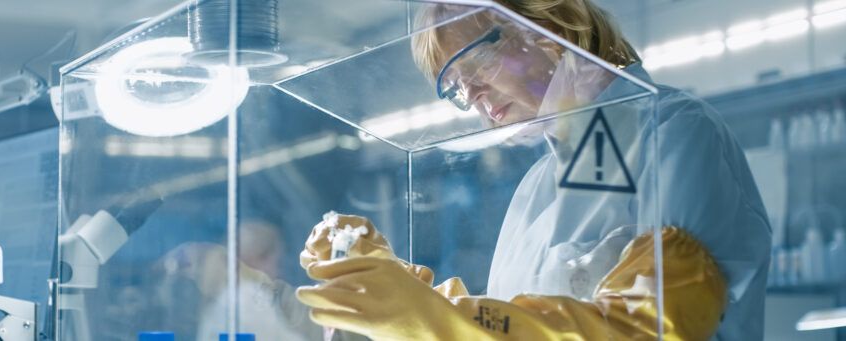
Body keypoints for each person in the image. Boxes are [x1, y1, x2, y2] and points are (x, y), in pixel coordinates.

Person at [295, 1, 771, 340]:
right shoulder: (534, 189)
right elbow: (506, 321)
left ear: (546, 23)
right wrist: (391, 281)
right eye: (457, 88)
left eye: (473, 60)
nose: (474, 95)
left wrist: (433, 321)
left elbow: (651, 328)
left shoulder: (673, 132)